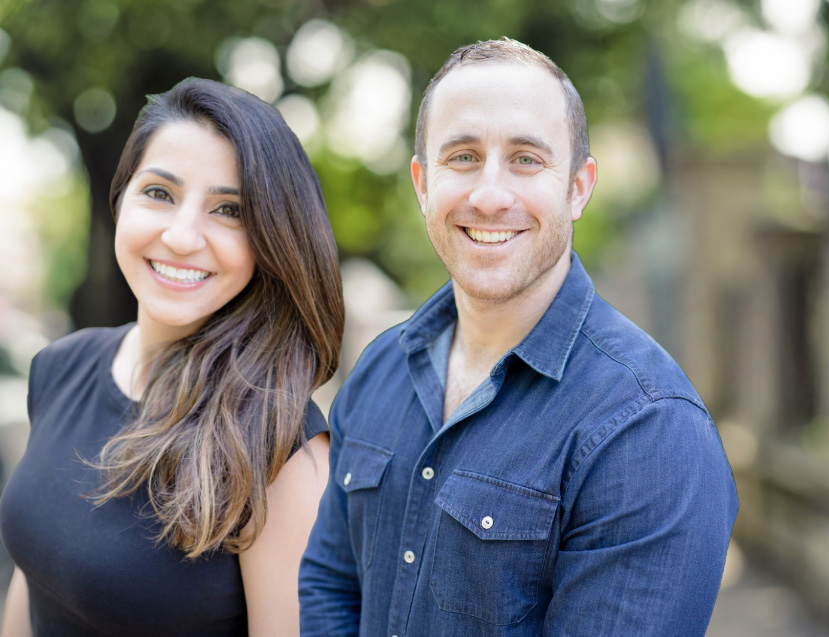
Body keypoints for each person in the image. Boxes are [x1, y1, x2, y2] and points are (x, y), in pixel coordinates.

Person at [299, 37, 738, 636]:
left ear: (578, 187)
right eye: (462, 157)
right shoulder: (379, 370)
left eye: (526, 158)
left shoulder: (650, 429)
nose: (489, 194)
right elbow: (329, 586)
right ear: (422, 183)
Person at [0, 78, 344, 636]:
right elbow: (33, 580)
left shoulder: (285, 450)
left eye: (229, 210)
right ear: (120, 197)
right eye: (159, 193)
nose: (183, 236)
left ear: (272, 241)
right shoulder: (58, 367)